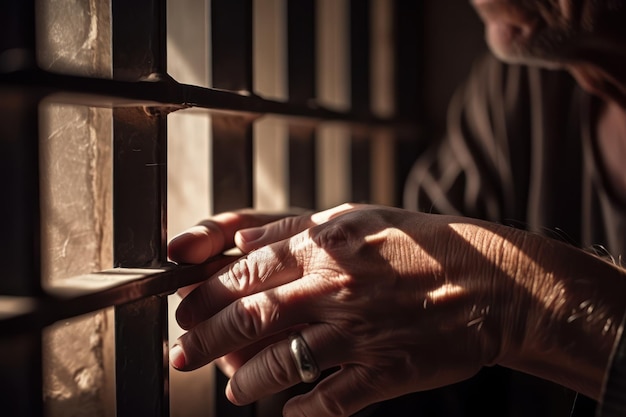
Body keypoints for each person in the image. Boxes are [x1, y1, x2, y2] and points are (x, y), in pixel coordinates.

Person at [167, 0, 626, 416]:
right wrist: (321, 304)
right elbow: (421, 315)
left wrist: (511, 300)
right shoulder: (519, 93)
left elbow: (462, 281)